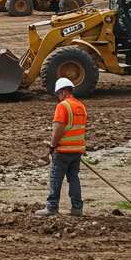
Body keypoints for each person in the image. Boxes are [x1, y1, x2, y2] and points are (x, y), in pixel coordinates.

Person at [36, 77, 86, 217]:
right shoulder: (81, 106)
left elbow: (58, 127)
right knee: (74, 179)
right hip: (76, 150)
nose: (58, 97)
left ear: (63, 92)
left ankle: (52, 207)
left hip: (63, 150)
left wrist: (52, 145)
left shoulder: (63, 106)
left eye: (58, 94)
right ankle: (77, 208)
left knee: (55, 178)